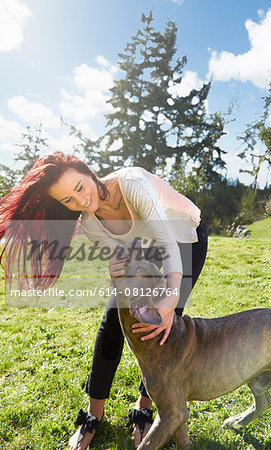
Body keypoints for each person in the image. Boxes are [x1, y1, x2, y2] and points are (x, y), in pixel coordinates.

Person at [0, 151, 208, 450]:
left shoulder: (133, 183)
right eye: (68, 200)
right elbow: (121, 255)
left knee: (161, 324)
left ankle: (146, 407)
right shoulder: (89, 222)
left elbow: (165, 240)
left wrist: (170, 297)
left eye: (80, 188)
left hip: (185, 238)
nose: (80, 201)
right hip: (144, 243)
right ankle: (93, 416)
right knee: (113, 320)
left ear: (89, 172)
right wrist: (117, 266)